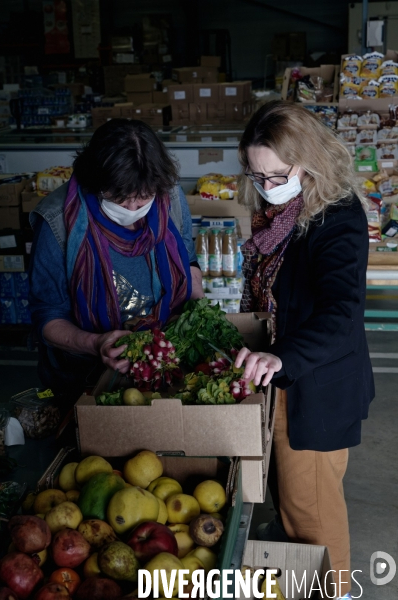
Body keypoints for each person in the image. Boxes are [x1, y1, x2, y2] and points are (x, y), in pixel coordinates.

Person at [234, 100, 374, 600]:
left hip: (314, 388)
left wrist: (281, 356)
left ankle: (335, 593)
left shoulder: (335, 219)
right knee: (296, 508)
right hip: (291, 381)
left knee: (314, 516)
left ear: (308, 160)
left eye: (276, 175)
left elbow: (341, 315)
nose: (267, 188)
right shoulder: (284, 213)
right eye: (257, 176)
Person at [29, 119, 203, 398]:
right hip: (84, 375)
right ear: (95, 183)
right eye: (120, 198)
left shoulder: (168, 195)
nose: (133, 207)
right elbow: (47, 317)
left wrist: (198, 315)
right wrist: (96, 343)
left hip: (162, 364)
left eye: (143, 198)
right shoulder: (57, 222)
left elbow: (188, 262)